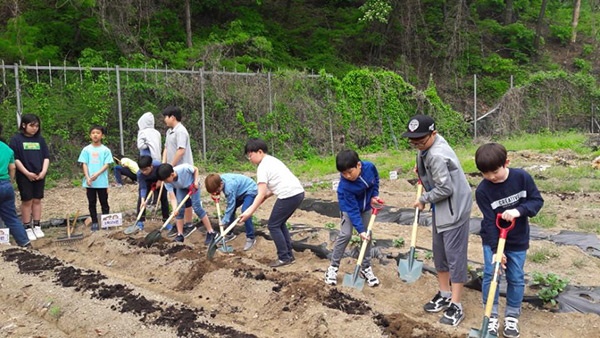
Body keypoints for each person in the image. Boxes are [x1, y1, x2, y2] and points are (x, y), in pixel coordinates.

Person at [402, 114, 472, 326]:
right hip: (442, 209)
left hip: (454, 209)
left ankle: (456, 304)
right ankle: (444, 292)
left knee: (454, 256)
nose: (417, 146)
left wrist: (423, 199)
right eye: (413, 142)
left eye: (421, 142)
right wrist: (423, 174)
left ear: (434, 134)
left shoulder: (436, 155)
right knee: (439, 251)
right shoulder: (426, 150)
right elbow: (430, 167)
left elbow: (445, 188)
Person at [475, 142, 544, 338]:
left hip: (518, 240)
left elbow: (536, 201)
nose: (490, 177)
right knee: (491, 274)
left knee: (516, 277)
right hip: (493, 240)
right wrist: (497, 250)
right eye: (485, 173)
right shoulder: (483, 191)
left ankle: (512, 317)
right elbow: (489, 222)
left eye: (494, 172)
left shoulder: (521, 178)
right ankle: (491, 316)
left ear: (506, 162)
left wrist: (518, 211)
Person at [239, 138, 305, 267]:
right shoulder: (272, 161)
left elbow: (261, 193)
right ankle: (288, 255)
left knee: (273, 225)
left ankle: (284, 257)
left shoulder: (263, 167)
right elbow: (270, 189)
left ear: (259, 152)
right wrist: (263, 198)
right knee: (279, 223)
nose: (250, 159)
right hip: (298, 193)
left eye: (250, 155)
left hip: (289, 195)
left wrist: (249, 212)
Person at [324, 149, 382, 287]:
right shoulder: (345, 186)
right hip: (349, 208)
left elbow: (376, 180)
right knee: (345, 234)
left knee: (368, 236)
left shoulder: (370, 167)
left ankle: (365, 267)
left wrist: (374, 195)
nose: (347, 176)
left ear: (359, 165)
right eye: (343, 173)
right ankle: (332, 268)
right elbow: (353, 211)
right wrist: (360, 230)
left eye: (349, 172)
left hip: (366, 206)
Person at [9, 114, 50, 241]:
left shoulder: (40, 140)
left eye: (37, 126)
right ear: (24, 125)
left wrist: (43, 171)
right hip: (24, 175)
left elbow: (46, 157)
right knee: (27, 201)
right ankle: (27, 227)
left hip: (39, 174)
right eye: (32, 125)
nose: (34, 128)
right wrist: (27, 173)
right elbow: (15, 159)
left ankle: (37, 225)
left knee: (37, 200)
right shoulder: (16, 139)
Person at [156, 163, 215, 244]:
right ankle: (180, 235)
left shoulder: (183, 168)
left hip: (192, 185)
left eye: (166, 180)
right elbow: (173, 197)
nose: (165, 182)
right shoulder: (167, 182)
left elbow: (196, 169)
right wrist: (174, 209)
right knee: (179, 210)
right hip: (181, 188)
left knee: (197, 207)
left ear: (172, 174)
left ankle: (211, 232)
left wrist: (195, 182)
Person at [161, 105, 195, 237]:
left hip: (182, 170)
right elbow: (165, 148)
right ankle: (179, 223)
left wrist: (170, 167)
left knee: (186, 197)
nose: (164, 119)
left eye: (166, 117)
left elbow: (181, 151)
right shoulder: (169, 132)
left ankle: (189, 224)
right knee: (175, 195)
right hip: (170, 170)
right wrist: (164, 164)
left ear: (172, 117)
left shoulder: (181, 131)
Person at [205, 173, 258, 251]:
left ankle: (251, 237)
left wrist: (225, 220)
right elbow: (231, 205)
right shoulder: (219, 181)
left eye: (217, 190)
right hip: (239, 191)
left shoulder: (229, 187)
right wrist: (215, 193)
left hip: (250, 190)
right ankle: (229, 233)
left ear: (221, 184)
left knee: (245, 211)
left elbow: (231, 205)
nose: (216, 192)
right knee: (231, 211)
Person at [0, 122, 31, 249]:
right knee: (11, 218)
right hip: (6, 185)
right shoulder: (7, 149)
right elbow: (12, 168)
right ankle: (25, 243)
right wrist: (10, 182)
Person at [78, 125, 113, 231]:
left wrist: (97, 174)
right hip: (90, 182)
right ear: (90, 135)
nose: (95, 135)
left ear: (102, 135)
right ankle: (94, 222)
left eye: (98, 133)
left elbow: (107, 164)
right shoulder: (86, 149)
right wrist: (88, 177)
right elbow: (84, 163)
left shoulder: (105, 150)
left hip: (102, 182)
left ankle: (106, 222)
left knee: (104, 202)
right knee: (91, 202)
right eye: (93, 133)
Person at [131, 155, 170, 233]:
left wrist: (160, 180)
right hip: (147, 183)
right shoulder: (140, 174)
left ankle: (166, 221)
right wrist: (143, 200)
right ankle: (140, 222)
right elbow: (143, 187)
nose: (144, 172)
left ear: (151, 166)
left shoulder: (158, 165)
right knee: (141, 201)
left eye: (146, 169)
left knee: (164, 199)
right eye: (142, 170)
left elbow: (163, 172)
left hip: (159, 180)